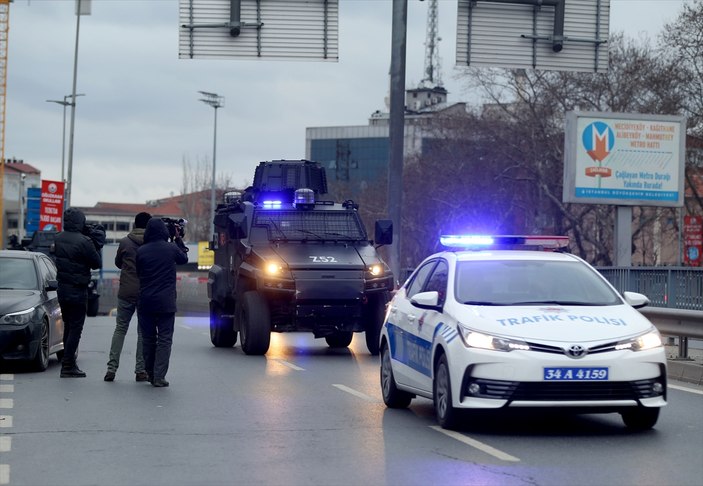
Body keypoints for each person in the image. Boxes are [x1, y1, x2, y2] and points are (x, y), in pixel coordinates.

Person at [136, 218, 188, 387]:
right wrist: (178, 238)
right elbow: (184, 259)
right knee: (165, 339)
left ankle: (150, 373)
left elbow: (139, 273)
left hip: (146, 301)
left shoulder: (141, 251)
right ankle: (159, 376)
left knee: (148, 339)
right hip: (166, 302)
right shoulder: (171, 248)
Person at [53, 208, 103, 378]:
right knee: (76, 328)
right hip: (78, 289)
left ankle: (68, 362)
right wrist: (96, 242)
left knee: (68, 325)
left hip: (62, 288)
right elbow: (97, 263)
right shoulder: (84, 241)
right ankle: (68, 365)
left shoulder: (58, 238)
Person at [104, 212, 152, 382]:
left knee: (120, 329)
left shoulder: (125, 242)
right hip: (145, 293)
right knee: (142, 332)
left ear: (135, 224)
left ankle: (111, 368)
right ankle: (140, 370)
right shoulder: (151, 243)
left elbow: (118, 262)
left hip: (126, 292)